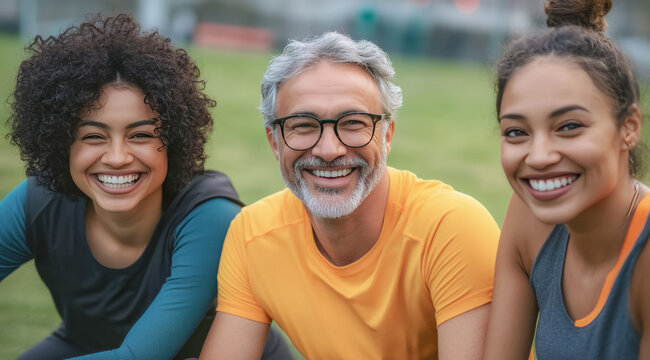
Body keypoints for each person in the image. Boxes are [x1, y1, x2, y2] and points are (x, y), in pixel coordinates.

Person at [0, 14, 291, 360]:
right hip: (86, 347)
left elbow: (140, 356)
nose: (118, 157)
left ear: (173, 140)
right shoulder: (39, 200)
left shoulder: (211, 217)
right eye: (94, 136)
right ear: (61, 143)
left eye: (140, 135)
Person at [199, 32, 500, 359]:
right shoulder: (252, 236)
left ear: (387, 135)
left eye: (353, 123)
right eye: (303, 125)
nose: (329, 150)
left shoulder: (451, 229)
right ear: (274, 142)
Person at [484, 0, 650, 359]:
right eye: (516, 132)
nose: (539, 156)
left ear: (628, 128)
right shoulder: (529, 219)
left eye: (569, 127)